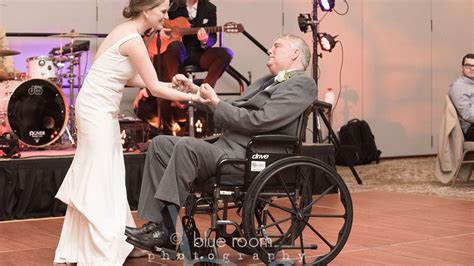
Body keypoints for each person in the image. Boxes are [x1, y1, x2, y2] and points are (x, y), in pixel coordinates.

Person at [125, 34, 317, 253]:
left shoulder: (302, 83)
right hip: (228, 148)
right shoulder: (266, 81)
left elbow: (260, 120)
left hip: (252, 156)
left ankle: (164, 231)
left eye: (277, 46)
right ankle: (162, 228)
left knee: (186, 147)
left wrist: (216, 103)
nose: (269, 50)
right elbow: (232, 108)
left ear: (295, 54)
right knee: (160, 144)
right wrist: (193, 90)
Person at [53, 0, 208, 265]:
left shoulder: (124, 31)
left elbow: (129, 78)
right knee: (100, 173)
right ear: (146, 10)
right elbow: (153, 89)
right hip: (97, 110)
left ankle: (111, 241)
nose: (166, 16)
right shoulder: (133, 40)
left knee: (108, 172)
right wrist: (199, 98)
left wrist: (174, 84)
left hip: (99, 108)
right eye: (162, 11)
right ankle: (101, 247)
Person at [135, 0, 233, 135]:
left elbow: (213, 37)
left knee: (226, 53)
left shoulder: (209, 8)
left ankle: (204, 91)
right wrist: (161, 31)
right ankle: (176, 88)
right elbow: (158, 22)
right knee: (175, 47)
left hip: (199, 53)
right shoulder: (173, 5)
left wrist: (205, 40)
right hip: (175, 52)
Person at [449, 53, 474, 141]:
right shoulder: (459, 87)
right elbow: (467, 114)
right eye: (468, 66)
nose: (472, 68)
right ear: (462, 68)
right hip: (471, 128)